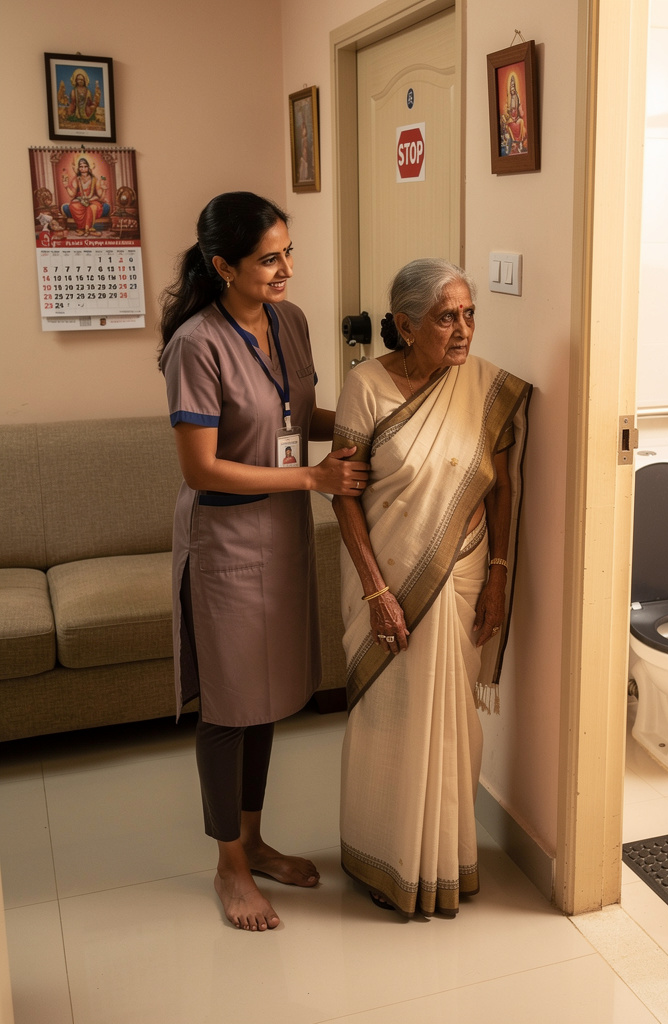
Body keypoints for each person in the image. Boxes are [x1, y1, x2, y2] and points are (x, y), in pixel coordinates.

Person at [158, 192, 369, 931]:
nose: (285, 269)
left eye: (288, 253)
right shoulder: (197, 344)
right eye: (268, 258)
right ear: (224, 266)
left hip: (279, 534)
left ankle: (252, 838)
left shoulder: (292, 321)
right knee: (228, 708)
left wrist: (364, 424)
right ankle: (229, 866)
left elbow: (292, 413)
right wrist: (313, 478)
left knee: (270, 697)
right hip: (224, 542)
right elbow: (203, 468)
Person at [332, 257, 531, 918]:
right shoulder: (365, 387)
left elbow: (502, 486)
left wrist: (501, 574)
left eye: (470, 313)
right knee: (390, 722)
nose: (464, 329)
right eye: (448, 317)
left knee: (454, 728)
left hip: (465, 573)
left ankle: (446, 861)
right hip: (386, 579)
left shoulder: (484, 388)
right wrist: (375, 592)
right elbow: (344, 498)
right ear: (405, 324)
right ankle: (383, 858)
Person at [62, 157, 106, 236]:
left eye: (85, 166)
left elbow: (99, 196)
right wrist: (66, 187)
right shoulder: (76, 180)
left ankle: (87, 230)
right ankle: (83, 229)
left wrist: (104, 189)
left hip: (93, 201)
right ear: (78, 168)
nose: (83, 169)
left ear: (88, 167)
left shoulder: (94, 180)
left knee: (91, 207)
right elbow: (72, 195)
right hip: (81, 202)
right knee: (72, 206)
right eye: (81, 167)